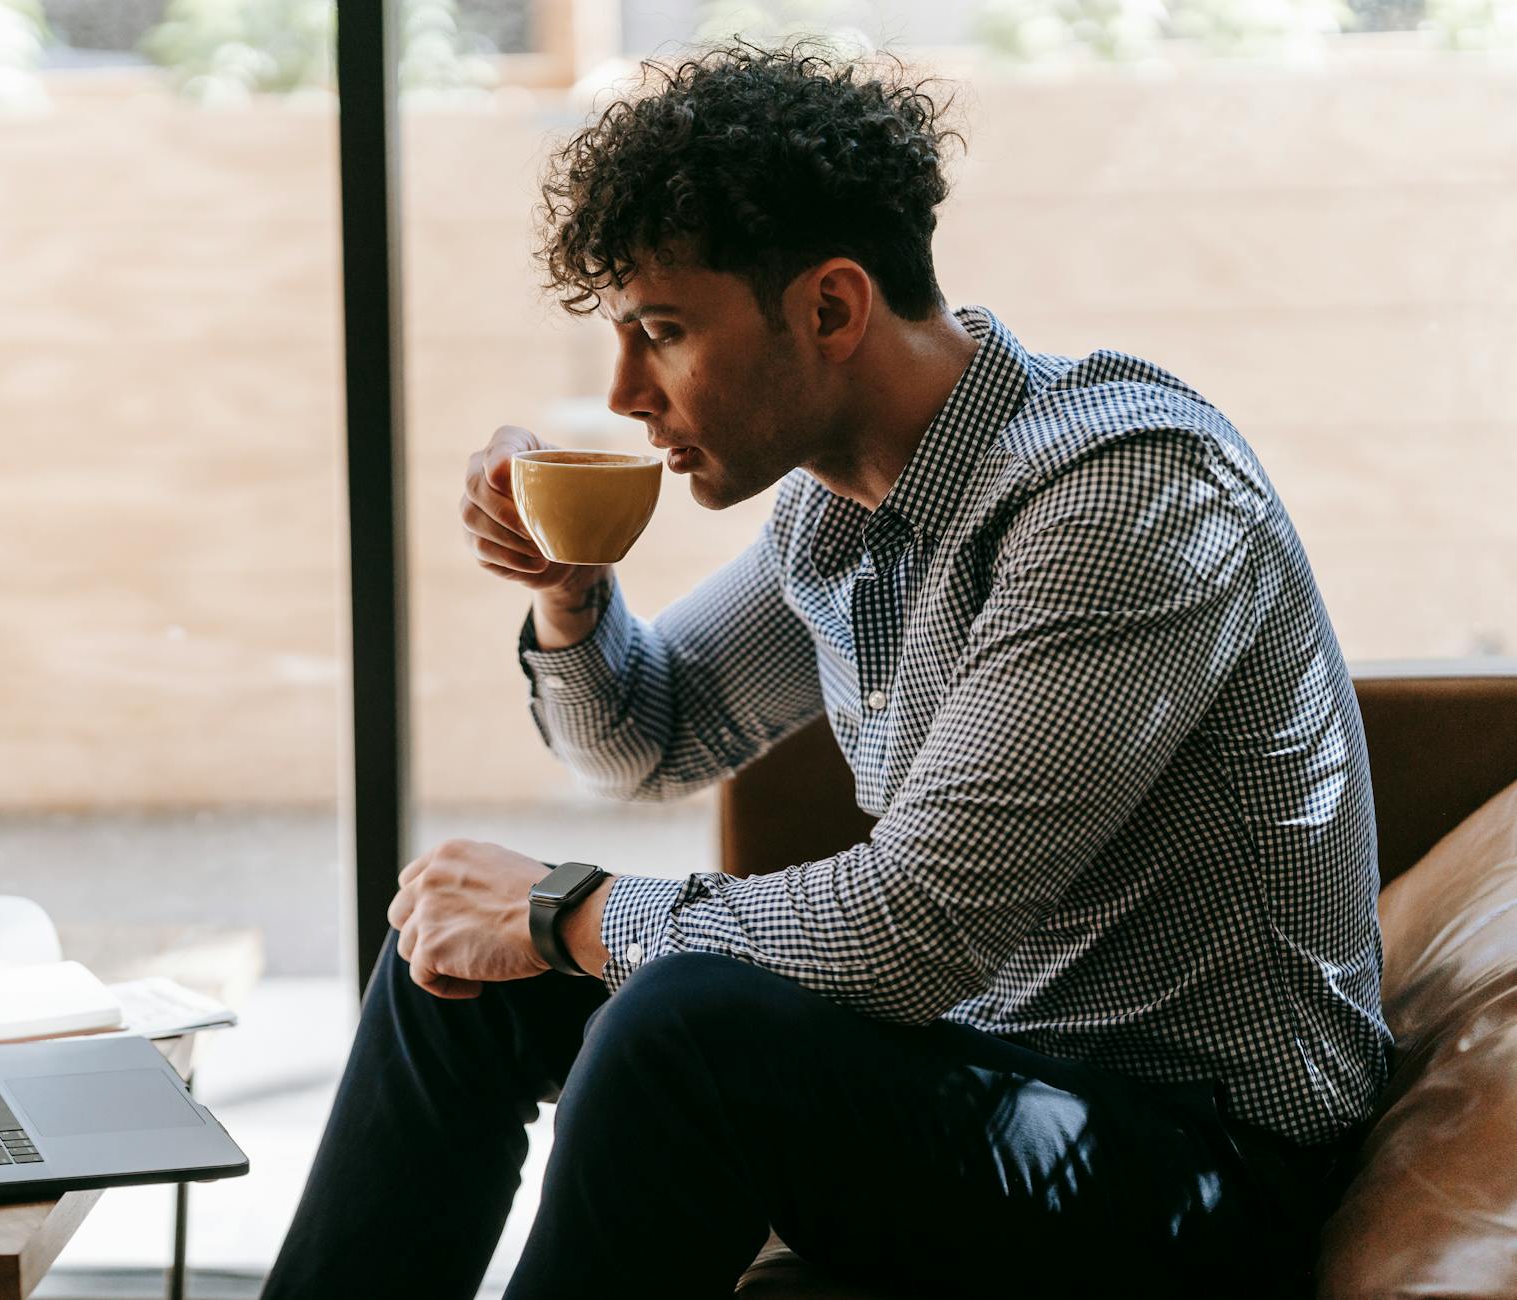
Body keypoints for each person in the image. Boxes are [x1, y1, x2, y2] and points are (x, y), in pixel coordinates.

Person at [261, 40, 1389, 1300]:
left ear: (832, 309)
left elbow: (916, 930)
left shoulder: (1120, 496)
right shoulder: (848, 508)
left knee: (678, 1024)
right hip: (983, 1061)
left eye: (664, 331)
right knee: (452, 963)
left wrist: (557, 911)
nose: (628, 392)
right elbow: (653, 733)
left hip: (1198, 1156)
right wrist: (568, 588)